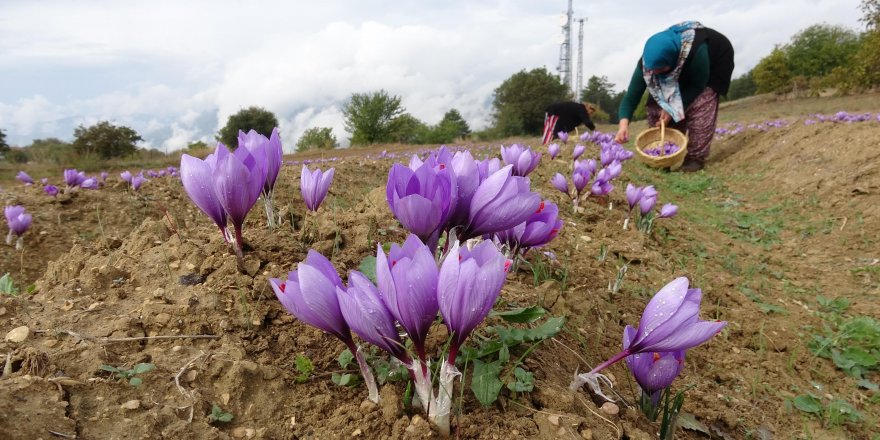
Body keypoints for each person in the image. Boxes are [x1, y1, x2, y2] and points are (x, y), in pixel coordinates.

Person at [614, 22, 734, 172]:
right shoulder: (648, 63)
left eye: (660, 69)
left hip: (711, 66)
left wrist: (672, 109)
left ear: (672, 60)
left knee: (700, 103)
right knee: (656, 108)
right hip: (675, 67)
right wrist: (623, 126)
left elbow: (697, 85)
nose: (655, 72)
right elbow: (631, 97)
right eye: (653, 70)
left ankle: (695, 157)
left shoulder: (696, 51)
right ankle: (664, 156)